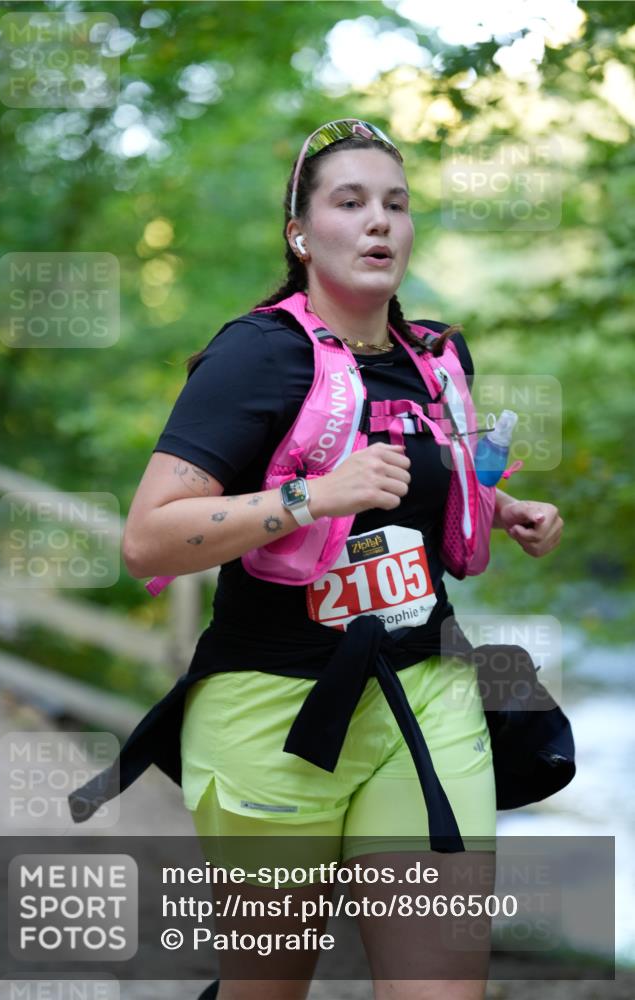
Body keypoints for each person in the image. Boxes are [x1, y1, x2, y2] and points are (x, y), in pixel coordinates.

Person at [118, 119, 564, 1000]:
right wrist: (311, 496)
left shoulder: (437, 357)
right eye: (350, 202)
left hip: (424, 696)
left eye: (395, 204)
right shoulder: (257, 354)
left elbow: (423, 484)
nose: (378, 222)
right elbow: (147, 540)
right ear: (300, 232)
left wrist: (503, 507)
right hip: (273, 711)